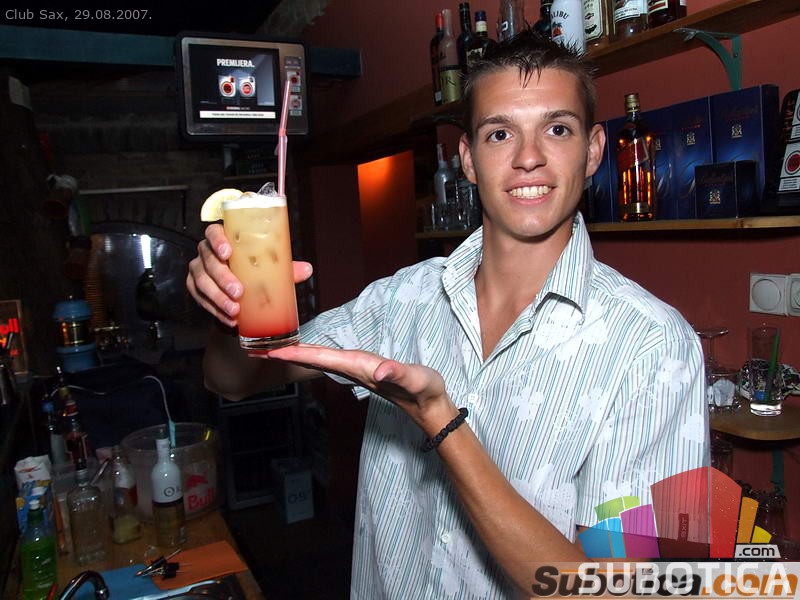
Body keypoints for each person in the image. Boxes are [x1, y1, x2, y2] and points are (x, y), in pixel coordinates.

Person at [187, 29, 708, 598]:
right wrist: (230, 311)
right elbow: (231, 379)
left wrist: (441, 422)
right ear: (468, 160)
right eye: (499, 133)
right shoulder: (402, 300)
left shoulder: (654, 347)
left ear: (594, 151)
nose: (528, 157)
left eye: (557, 129)